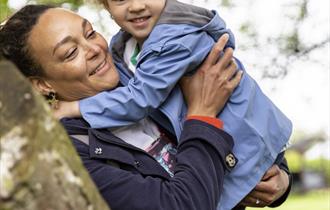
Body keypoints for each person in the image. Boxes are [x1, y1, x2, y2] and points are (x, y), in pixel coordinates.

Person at [0, 4, 291, 210]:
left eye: (89, 33)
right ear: (42, 84)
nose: (93, 49)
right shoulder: (69, 154)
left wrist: (279, 181)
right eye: (70, 52)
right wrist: (201, 116)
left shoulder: (145, 77)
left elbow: (247, 121)